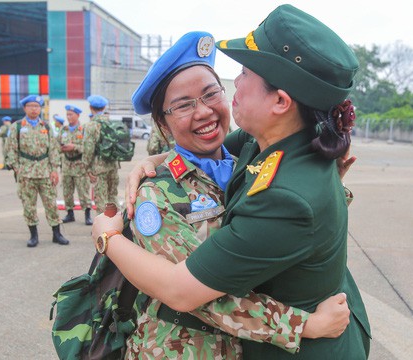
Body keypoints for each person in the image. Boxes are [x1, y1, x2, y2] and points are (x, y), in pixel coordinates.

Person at [96, 28, 358, 359]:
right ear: (163, 125)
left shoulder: (250, 154)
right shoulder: (157, 195)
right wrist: (301, 325)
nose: (203, 111)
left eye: (210, 94)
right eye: (183, 105)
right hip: (186, 349)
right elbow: (195, 295)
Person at [5, 95, 69, 247]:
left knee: (51, 204)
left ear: (40, 108)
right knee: (28, 205)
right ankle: (33, 235)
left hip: (45, 172)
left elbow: (53, 150)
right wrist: (17, 168)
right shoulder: (17, 127)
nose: (34, 109)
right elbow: (11, 150)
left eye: (37, 106)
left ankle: (56, 234)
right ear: (25, 108)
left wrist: (54, 170)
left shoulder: (46, 127)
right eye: (31, 106)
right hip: (26, 173)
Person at [82, 95, 120, 214]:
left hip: (98, 168)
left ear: (90, 108)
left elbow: (88, 148)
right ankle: (118, 226)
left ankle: (104, 230)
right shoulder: (112, 123)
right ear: (104, 107)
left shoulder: (90, 126)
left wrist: (87, 168)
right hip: (113, 165)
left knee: (101, 200)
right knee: (113, 196)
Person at [59, 105, 93, 225]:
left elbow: (88, 148)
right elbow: (56, 145)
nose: (69, 117)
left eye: (71, 114)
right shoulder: (64, 130)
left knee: (83, 191)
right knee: (67, 191)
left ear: (78, 115)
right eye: (67, 114)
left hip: (80, 165)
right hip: (67, 165)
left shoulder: (83, 129)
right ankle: (70, 214)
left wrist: (75, 147)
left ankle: (87, 215)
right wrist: (62, 148)